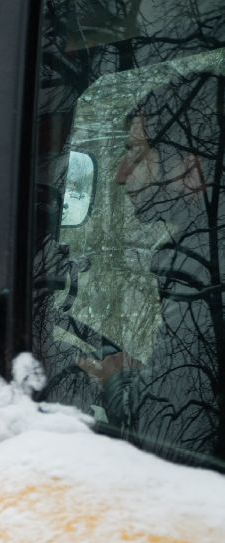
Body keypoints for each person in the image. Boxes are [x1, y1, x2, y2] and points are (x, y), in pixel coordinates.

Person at [94, 71, 225, 462]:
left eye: (136, 154)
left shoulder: (200, 273)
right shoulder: (206, 251)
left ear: (190, 171)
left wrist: (115, 379)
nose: (121, 176)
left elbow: (163, 435)